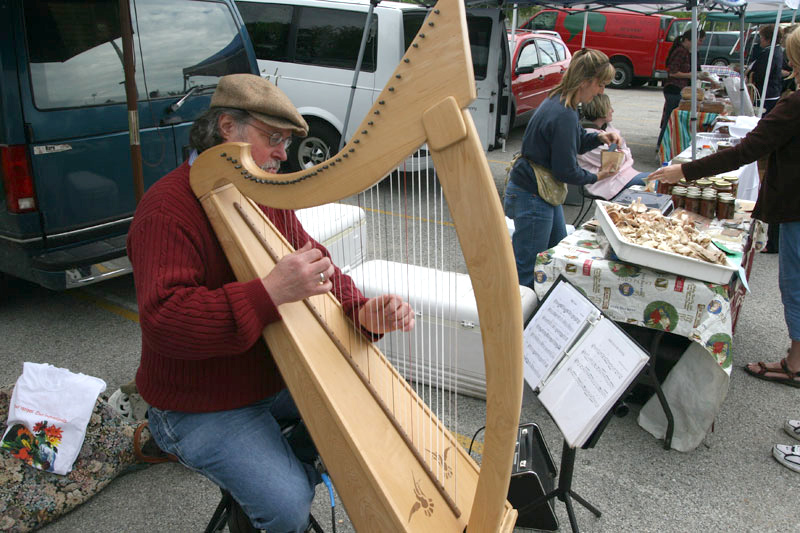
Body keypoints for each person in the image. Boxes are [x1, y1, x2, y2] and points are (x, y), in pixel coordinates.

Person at [126, 74, 415, 531]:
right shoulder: (166, 210)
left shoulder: (261, 192)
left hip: (269, 380)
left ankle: (284, 466)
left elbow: (316, 266)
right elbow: (166, 321)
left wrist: (363, 311)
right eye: (273, 138)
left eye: (286, 140)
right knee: (286, 505)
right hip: (198, 403)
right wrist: (269, 293)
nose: (284, 152)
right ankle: (284, 480)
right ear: (227, 128)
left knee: (382, 411)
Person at [649, 27, 800, 475]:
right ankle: (795, 361)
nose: (787, 68)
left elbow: (748, 150)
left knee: (795, 289)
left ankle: (796, 362)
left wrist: (683, 170)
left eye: (792, 59)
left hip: (798, 214)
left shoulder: (795, 104)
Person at [503, 48, 621, 288]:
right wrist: (597, 176)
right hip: (534, 194)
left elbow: (574, 142)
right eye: (601, 85)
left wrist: (599, 138)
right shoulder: (564, 113)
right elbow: (565, 171)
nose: (601, 91)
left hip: (539, 191)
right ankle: (519, 321)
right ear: (586, 81)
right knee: (526, 270)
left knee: (559, 252)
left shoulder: (559, 101)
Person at [577, 93, 650, 200]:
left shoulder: (607, 128)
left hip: (623, 176)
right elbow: (614, 162)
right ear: (600, 108)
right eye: (609, 107)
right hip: (607, 183)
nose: (612, 110)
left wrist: (622, 153)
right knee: (657, 181)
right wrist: (624, 153)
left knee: (659, 178)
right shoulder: (588, 136)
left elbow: (622, 151)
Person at [657, 29, 715, 149]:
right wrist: (692, 75)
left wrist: (709, 79)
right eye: (699, 40)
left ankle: (667, 145)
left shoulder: (689, 52)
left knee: (672, 119)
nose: (700, 43)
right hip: (674, 89)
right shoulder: (680, 51)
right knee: (670, 119)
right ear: (688, 40)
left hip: (681, 90)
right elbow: (673, 72)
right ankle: (661, 146)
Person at [747, 24, 784, 115]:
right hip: (772, 91)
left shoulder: (769, 54)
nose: (760, 41)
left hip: (766, 94)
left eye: (762, 38)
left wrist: (750, 73)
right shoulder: (777, 51)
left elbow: (760, 75)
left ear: (768, 39)